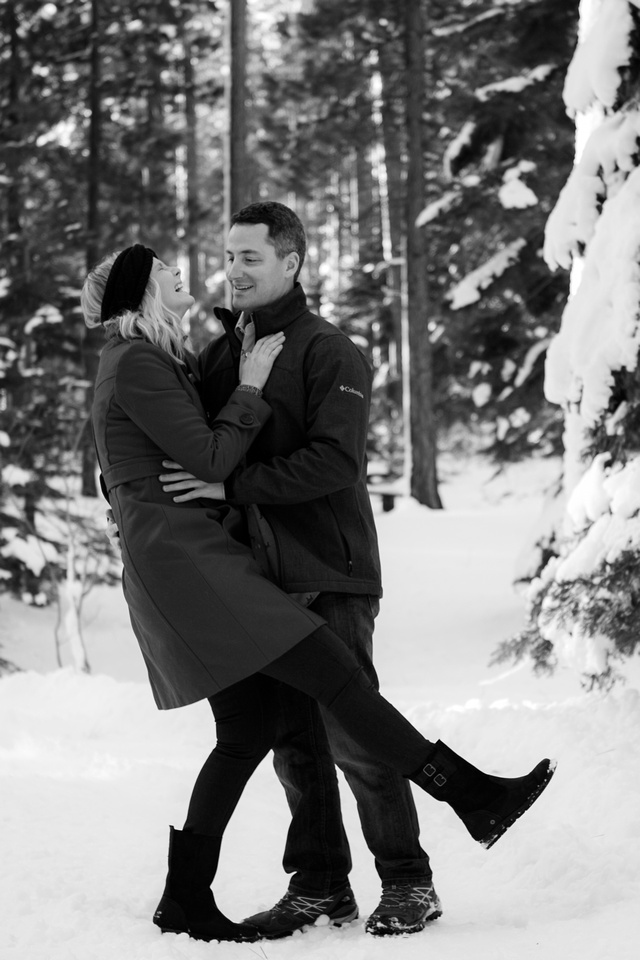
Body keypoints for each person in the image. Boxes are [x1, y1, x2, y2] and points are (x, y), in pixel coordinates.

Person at [84, 242, 556, 947]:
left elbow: (153, 454)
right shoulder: (139, 360)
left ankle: (185, 896)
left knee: (248, 732)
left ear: (294, 263)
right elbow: (209, 457)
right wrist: (249, 387)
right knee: (332, 680)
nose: (189, 272)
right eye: (166, 270)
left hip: (203, 554)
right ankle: (474, 798)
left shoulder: (172, 357)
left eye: (246, 254)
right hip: (188, 561)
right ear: (142, 290)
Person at [161, 200, 438, 938]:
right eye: (229, 255)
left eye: (251, 257)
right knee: (293, 743)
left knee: (355, 734)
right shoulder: (223, 356)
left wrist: (233, 487)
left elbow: (337, 460)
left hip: (330, 564)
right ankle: (319, 884)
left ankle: (409, 880)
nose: (235, 270)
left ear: (291, 261)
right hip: (259, 581)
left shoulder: (328, 350)